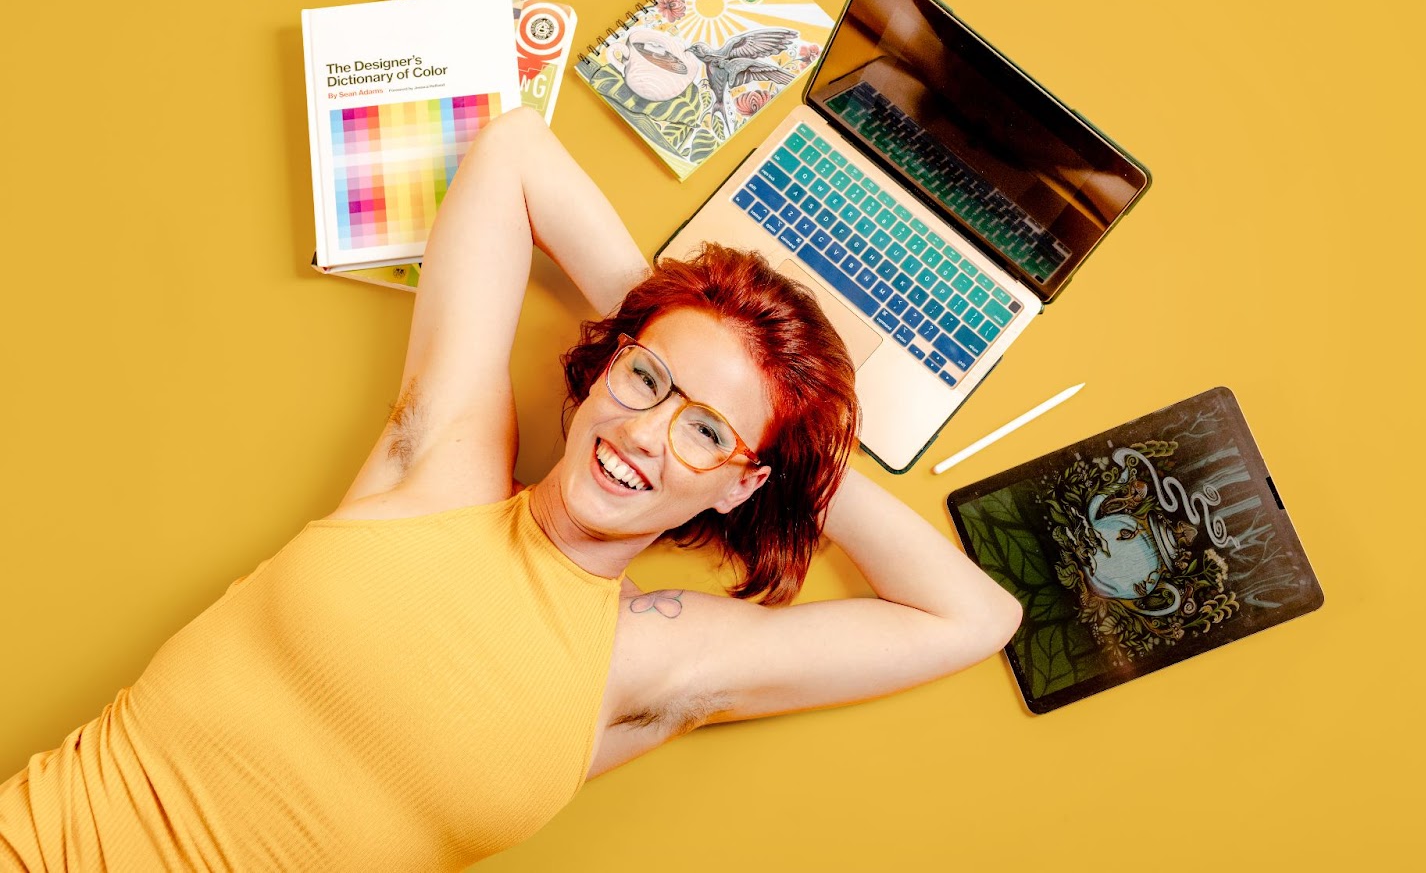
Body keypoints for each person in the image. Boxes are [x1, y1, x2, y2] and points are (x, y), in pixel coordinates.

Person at [0, 107, 1022, 871]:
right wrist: (679, 318)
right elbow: (514, 154)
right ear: (610, 364)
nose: (644, 431)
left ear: (739, 480)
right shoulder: (440, 462)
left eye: (704, 432)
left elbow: (974, 612)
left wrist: (784, 457)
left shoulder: (653, 657)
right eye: (643, 379)